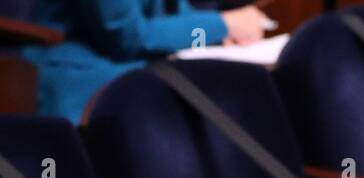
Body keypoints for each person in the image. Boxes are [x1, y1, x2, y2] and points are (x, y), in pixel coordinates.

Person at [24, 0, 266, 123]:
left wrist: (220, 34)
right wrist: (222, 25)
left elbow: (171, 12)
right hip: (80, 77)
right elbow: (126, 36)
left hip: (132, 65)